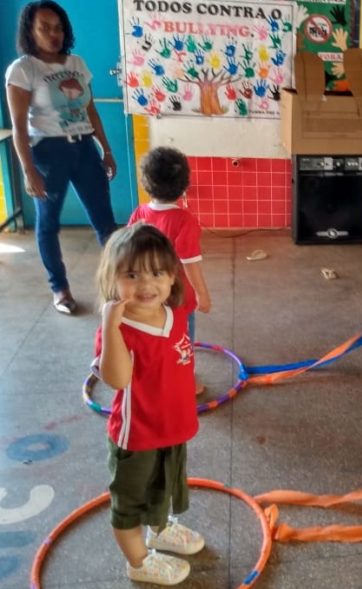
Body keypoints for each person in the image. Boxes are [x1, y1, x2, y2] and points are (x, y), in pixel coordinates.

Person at [93, 223, 204, 585]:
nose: (146, 284)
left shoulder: (176, 314)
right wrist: (111, 328)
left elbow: (192, 282)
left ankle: (159, 529)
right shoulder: (118, 331)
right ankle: (138, 562)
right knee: (129, 505)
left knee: (163, 486)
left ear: (172, 277)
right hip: (138, 436)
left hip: (173, 427)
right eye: (131, 274)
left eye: (157, 273)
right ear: (113, 280)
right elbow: (117, 379)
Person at [5, 0, 117, 314]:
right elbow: (18, 126)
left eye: (58, 28)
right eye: (45, 28)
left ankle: (118, 283)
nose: (53, 34)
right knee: (49, 223)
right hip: (47, 153)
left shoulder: (77, 63)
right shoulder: (23, 69)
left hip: (84, 148)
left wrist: (106, 150)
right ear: (30, 31)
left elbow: (91, 111)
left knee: (105, 221)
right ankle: (60, 288)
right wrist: (28, 170)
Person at [129, 146, 211, 395]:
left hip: (145, 295)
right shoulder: (185, 220)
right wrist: (202, 294)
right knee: (181, 342)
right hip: (177, 297)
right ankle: (186, 382)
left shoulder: (140, 212)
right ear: (184, 184)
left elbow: (127, 251)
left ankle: (154, 376)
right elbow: (190, 262)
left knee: (153, 338)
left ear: (146, 183)